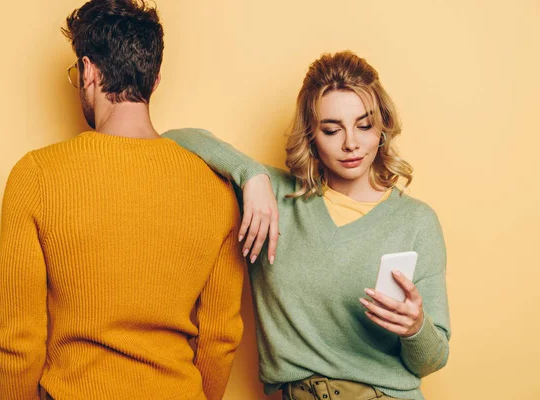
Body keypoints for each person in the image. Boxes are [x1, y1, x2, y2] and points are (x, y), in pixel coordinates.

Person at [0, 1, 245, 399]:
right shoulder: (216, 188)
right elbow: (220, 336)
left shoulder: (37, 176)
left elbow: (17, 338)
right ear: (155, 80)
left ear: (89, 71)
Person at [163, 51, 450, 400]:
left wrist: (416, 328)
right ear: (311, 135)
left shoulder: (416, 221)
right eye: (332, 129)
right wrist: (250, 174)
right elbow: (177, 137)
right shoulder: (274, 197)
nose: (351, 143)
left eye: (364, 125)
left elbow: (432, 360)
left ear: (383, 129)